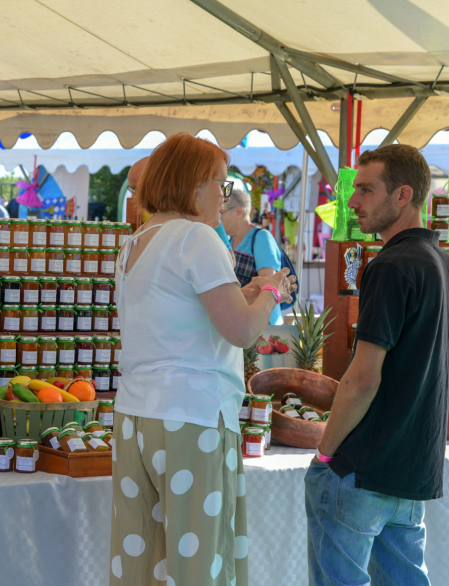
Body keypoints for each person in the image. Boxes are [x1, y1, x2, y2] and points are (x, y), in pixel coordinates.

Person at [110, 133, 295, 586]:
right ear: (194, 184)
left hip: (135, 413)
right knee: (200, 565)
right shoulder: (197, 237)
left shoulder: (136, 242)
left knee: (140, 563)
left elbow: (185, 311)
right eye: (221, 182)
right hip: (192, 417)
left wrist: (249, 292)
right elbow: (242, 330)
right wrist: (271, 288)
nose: (226, 193)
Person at [305, 145, 449, 586]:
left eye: (365, 189)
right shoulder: (445, 265)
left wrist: (326, 452)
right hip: (413, 468)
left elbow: (363, 378)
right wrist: (414, 399)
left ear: (403, 195)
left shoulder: (389, 266)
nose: (352, 201)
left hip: (362, 466)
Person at [128, 156, 235, 262]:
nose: (134, 197)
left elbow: (229, 259)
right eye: (132, 189)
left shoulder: (204, 215)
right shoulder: (143, 227)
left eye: (136, 188)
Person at [221, 187, 284, 325]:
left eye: (222, 212)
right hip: (244, 319)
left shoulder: (261, 237)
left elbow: (268, 282)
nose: (218, 218)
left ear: (238, 211)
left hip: (264, 322)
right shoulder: (229, 241)